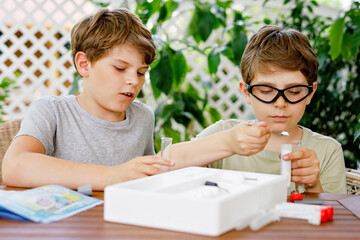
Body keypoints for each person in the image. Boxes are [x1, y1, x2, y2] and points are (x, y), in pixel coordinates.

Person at [2, 8, 174, 190]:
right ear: (84, 64)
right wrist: (113, 175)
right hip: (67, 217)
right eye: (120, 68)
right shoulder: (51, 111)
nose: (133, 81)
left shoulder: (143, 117)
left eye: (141, 72)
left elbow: (146, 178)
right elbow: (15, 167)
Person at [169, 25, 346, 194]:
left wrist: (313, 186)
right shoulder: (225, 133)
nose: (280, 103)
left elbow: (339, 220)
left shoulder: (327, 151)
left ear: (310, 93)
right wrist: (226, 143)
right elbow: (164, 162)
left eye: (293, 91)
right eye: (267, 91)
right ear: (246, 92)